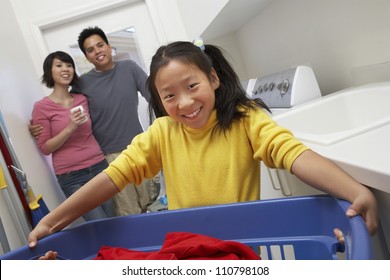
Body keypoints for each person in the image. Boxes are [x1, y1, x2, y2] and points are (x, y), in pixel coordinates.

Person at [28, 40, 378, 250]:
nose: (183, 103)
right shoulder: (162, 132)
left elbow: (292, 154)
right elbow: (112, 177)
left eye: (192, 86)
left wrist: (353, 190)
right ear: (158, 101)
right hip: (189, 248)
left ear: (213, 79)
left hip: (244, 246)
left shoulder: (244, 119)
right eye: (169, 96)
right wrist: (53, 222)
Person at [29, 26, 160, 216]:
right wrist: (36, 127)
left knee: (150, 203)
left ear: (108, 46)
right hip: (109, 157)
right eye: (90, 50)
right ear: (86, 57)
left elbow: (154, 97)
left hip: (139, 148)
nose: (97, 51)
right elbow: (63, 107)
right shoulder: (82, 85)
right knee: (127, 212)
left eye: (100, 45)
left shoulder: (130, 68)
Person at [31, 51, 113, 221]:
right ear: (49, 72)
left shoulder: (82, 98)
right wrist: (70, 127)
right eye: (59, 65)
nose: (65, 69)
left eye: (69, 65)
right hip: (72, 177)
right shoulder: (41, 107)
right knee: (97, 224)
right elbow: (45, 148)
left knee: (112, 219)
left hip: (100, 167)